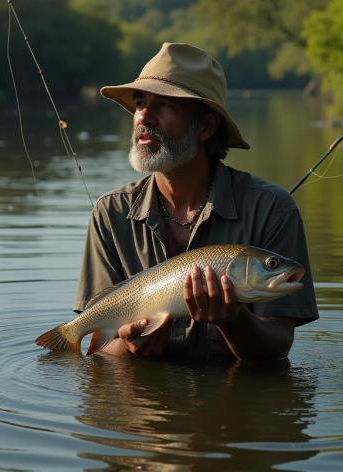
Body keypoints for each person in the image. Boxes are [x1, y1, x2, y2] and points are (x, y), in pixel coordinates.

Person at [73, 42, 318, 360]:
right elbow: (102, 351)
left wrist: (234, 321)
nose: (144, 116)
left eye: (164, 105)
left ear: (206, 126)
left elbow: (276, 348)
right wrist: (130, 348)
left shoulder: (272, 209)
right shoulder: (110, 212)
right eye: (140, 102)